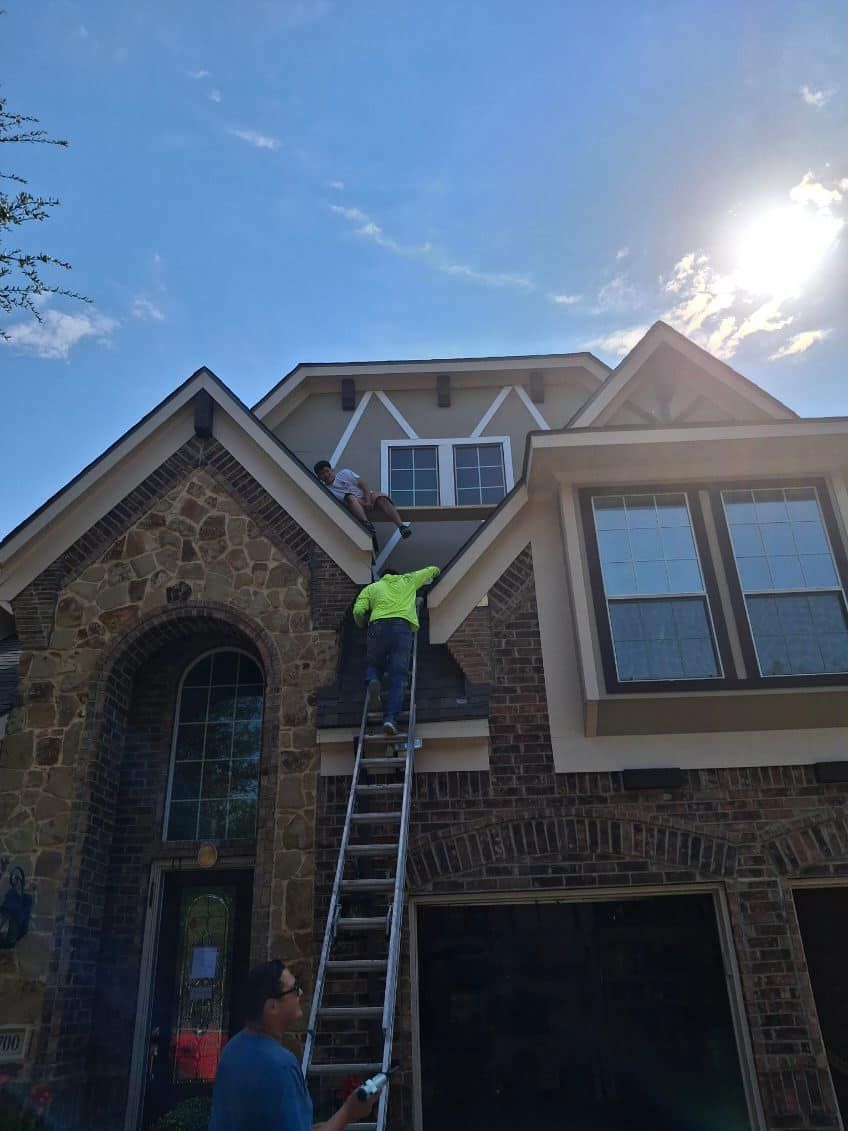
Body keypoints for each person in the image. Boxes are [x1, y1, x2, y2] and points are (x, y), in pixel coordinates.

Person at [209, 958, 376, 1131]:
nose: (301, 993)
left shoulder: (231, 1052)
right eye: (294, 990)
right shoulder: (281, 1066)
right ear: (272, 1006)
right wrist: (349, 1111)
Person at [353, 565, 440, 735]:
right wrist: (437, 571)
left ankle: (372, 681)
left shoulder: (372, 587)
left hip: (377, 627)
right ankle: (390, 720)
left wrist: (362, 624)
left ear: (383, 577)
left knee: (374, 663)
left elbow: (358, 610)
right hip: (401, 628)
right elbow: (430, 570)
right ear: (397, 575)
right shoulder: (407, 580)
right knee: (398, 676)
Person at [313, 460, 411, 547]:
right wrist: (364, 504)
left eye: (327, 471)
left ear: (332, 470)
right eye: (322, 474)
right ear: (319, 477)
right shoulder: (326, 491)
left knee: (382, 498)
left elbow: (363, 485)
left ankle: (401, 527)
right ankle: (367, 525)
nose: (326, 475)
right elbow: (347, 500)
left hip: (366, 497)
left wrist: (368, 501)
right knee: (349, 497)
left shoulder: (345, 473)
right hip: (353, 507)